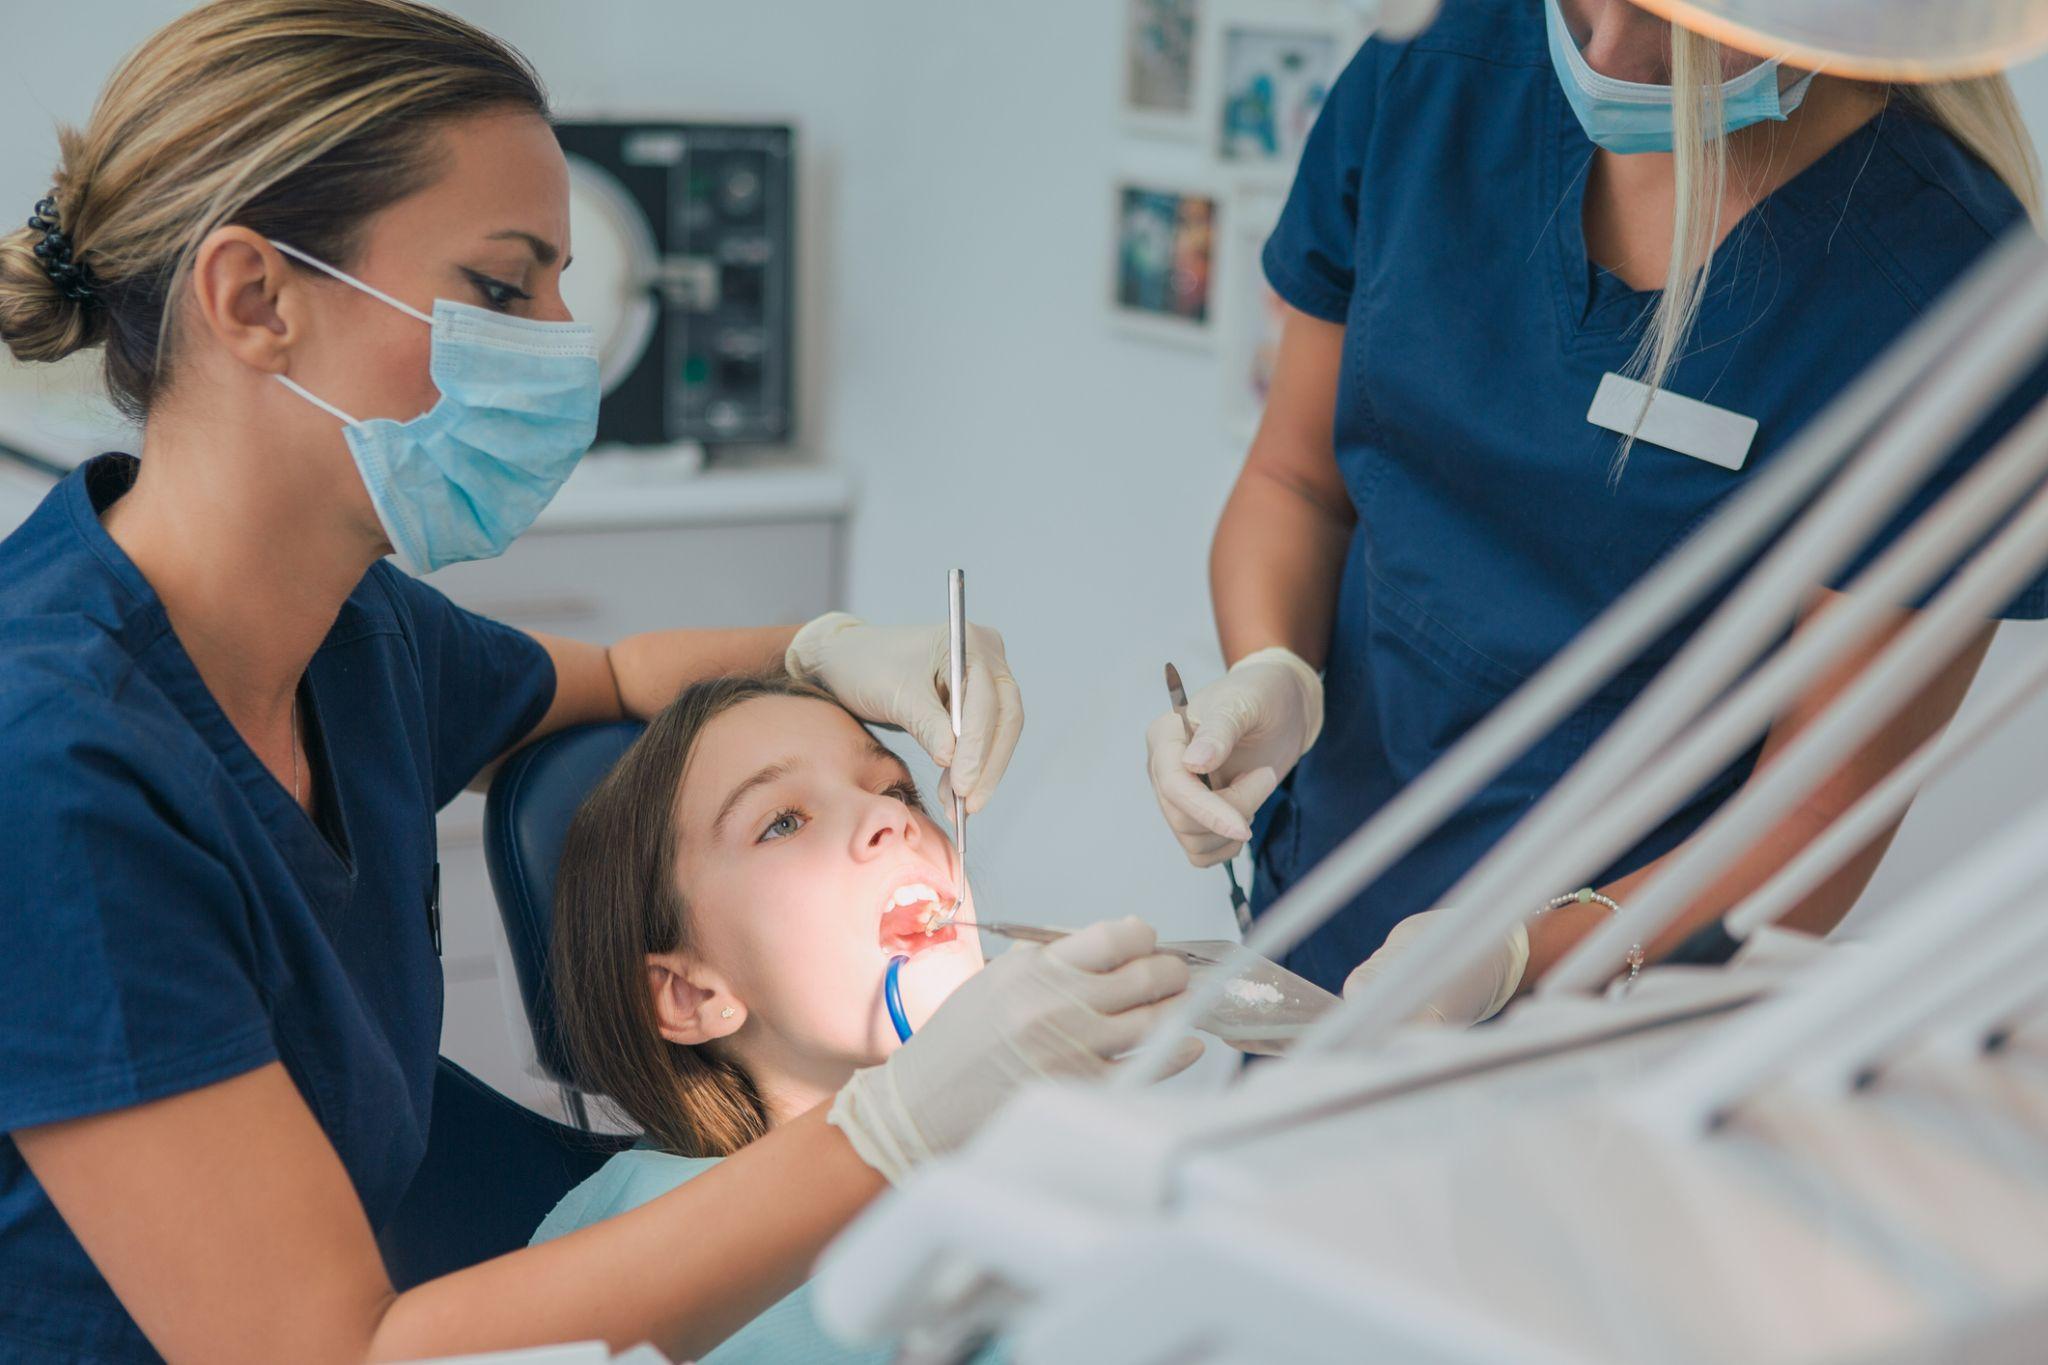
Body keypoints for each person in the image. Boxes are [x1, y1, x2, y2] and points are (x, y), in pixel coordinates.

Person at [0, 3, 1176, 1360]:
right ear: (257, 298)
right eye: (505, 291)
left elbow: (613, 671)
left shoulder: (350, 636)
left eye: (563, 287)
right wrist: (895, 1127)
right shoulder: (55, 767)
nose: (564, 348)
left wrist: (832, 647)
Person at [1146, 0, 2048, 1016]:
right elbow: (1294, 483)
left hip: (1601, 1023)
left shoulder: (1946, 296)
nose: (1605, 48)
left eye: (1674, 16)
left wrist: (1522, 956)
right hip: (1310, 912)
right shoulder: (1430, 81)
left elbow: (1814, 811)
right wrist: (1269, 671)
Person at [536, 675, 1197, 1362]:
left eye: (895, 789)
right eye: (783, 821)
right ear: (689, 995)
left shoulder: (1060, 1162)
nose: (892, 818)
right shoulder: (634, 1233)